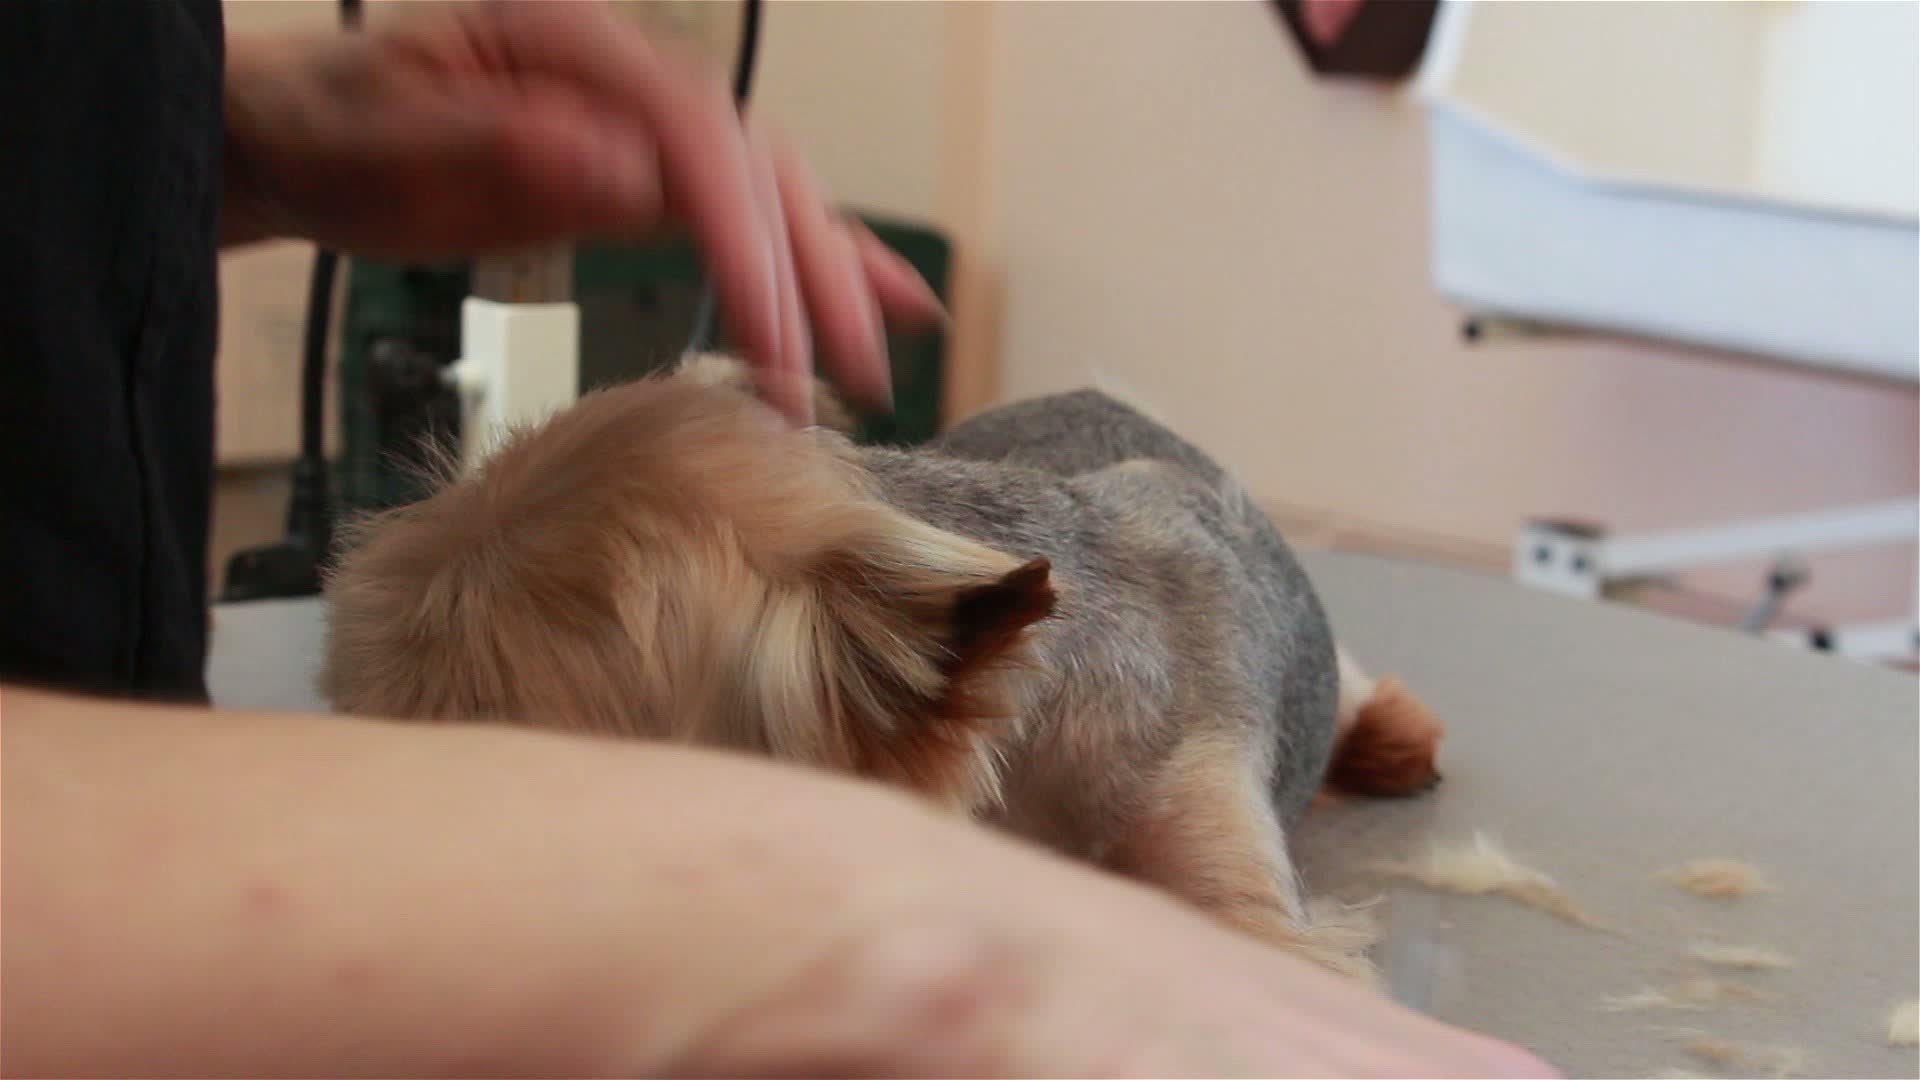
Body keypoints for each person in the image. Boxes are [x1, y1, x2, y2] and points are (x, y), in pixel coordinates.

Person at [0, 3, 1555, 1076]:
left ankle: (1339, 682)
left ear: (910, 679)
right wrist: (831, 921)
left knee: (1326, 695)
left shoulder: (969, 654)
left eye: (533, 791)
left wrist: (222, 132)